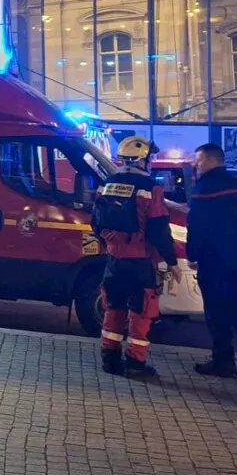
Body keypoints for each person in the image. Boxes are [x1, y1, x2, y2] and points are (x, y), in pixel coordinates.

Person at [91, 135, 181, 380]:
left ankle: (109, 360)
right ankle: (135, 363)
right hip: (140, 261)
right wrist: (172, 262)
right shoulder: (151, 188)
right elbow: (159, 229)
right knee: (142, 312)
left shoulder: (107, 183)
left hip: (114, 261)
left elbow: (95, 223)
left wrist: (111, 244)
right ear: (143, 159)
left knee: (114, 308)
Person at [187, 143, 237, 378]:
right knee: (236, 307)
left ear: (212, 161)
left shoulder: (205, 189)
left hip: (212, 259)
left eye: (198, 160)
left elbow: (197, 227)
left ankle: (223, 361)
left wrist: (192, 255)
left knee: (215, 311)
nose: (195, 164)